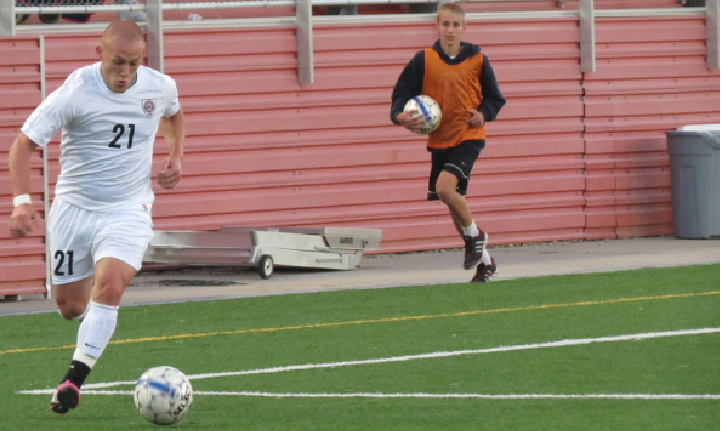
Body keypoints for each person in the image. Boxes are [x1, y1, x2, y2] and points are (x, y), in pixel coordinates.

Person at [8, 19, 184, 416]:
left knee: (110, 284)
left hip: (128, 208)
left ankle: (73, 380)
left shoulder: (159, 86)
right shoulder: (75, 92)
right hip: (74, 210)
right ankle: (94, 326)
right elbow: (22, 145)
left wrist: (175, 156)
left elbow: (174, 114)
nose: (125, 73)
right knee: (71, 307)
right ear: (99, 53)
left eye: (134, 64)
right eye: (118, 63)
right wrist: (21, 201)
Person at [390, 2, 505, 282]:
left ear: (464, 28)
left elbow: (495, 99)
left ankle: (476, 236)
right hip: (439, 140)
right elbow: (401, 93)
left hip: (468, 136)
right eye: (445, 24)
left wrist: (483, 114)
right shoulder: (423, 60)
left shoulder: (478, 59)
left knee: (444, 188)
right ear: (437, 26)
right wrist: (400, 116)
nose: (450, 30)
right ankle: (486, 261)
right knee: (455, 204)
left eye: (456, 25)